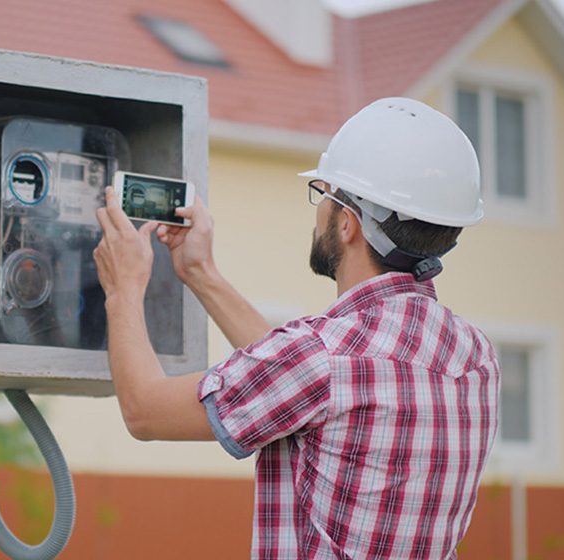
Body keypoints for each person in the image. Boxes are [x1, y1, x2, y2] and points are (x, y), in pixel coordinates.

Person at [93, 97, 500, 559]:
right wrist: (200, 273)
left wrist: (122, 288)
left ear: (347, 224)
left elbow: (144, 411)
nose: (317, 213)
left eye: (323, 195)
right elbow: (297, 388)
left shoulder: (323, 358)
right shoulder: (475, 357)